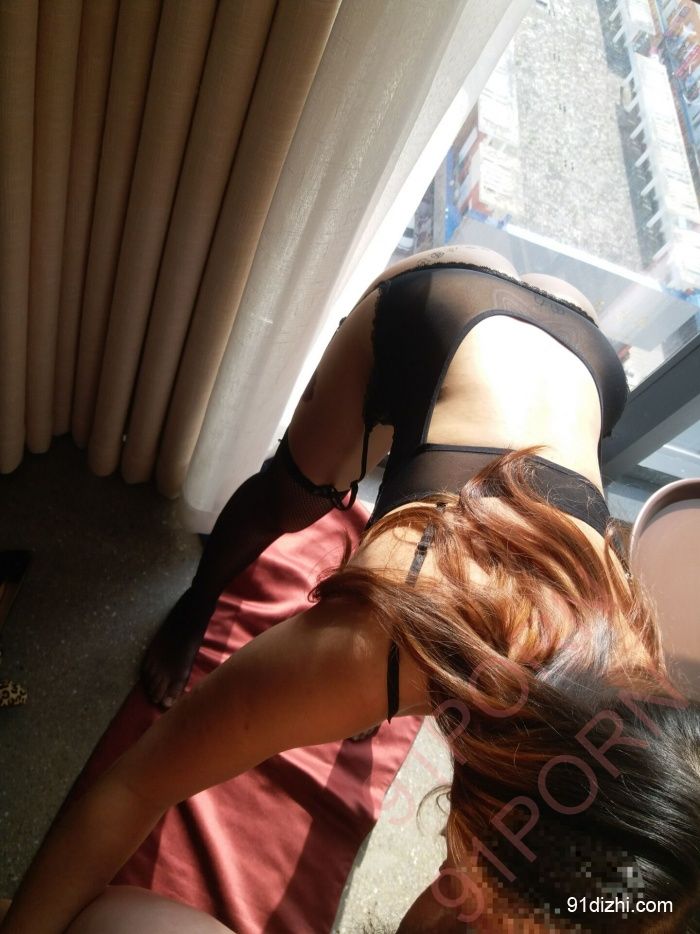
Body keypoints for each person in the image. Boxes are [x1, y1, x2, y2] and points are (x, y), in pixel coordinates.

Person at [2, 246, 699, 932]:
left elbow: (484, 893)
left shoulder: (634, 714)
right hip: (444, 303)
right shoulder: (372, 647)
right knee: (291, 498)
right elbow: (133, 786)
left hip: (581, 358)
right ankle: (197, 601)